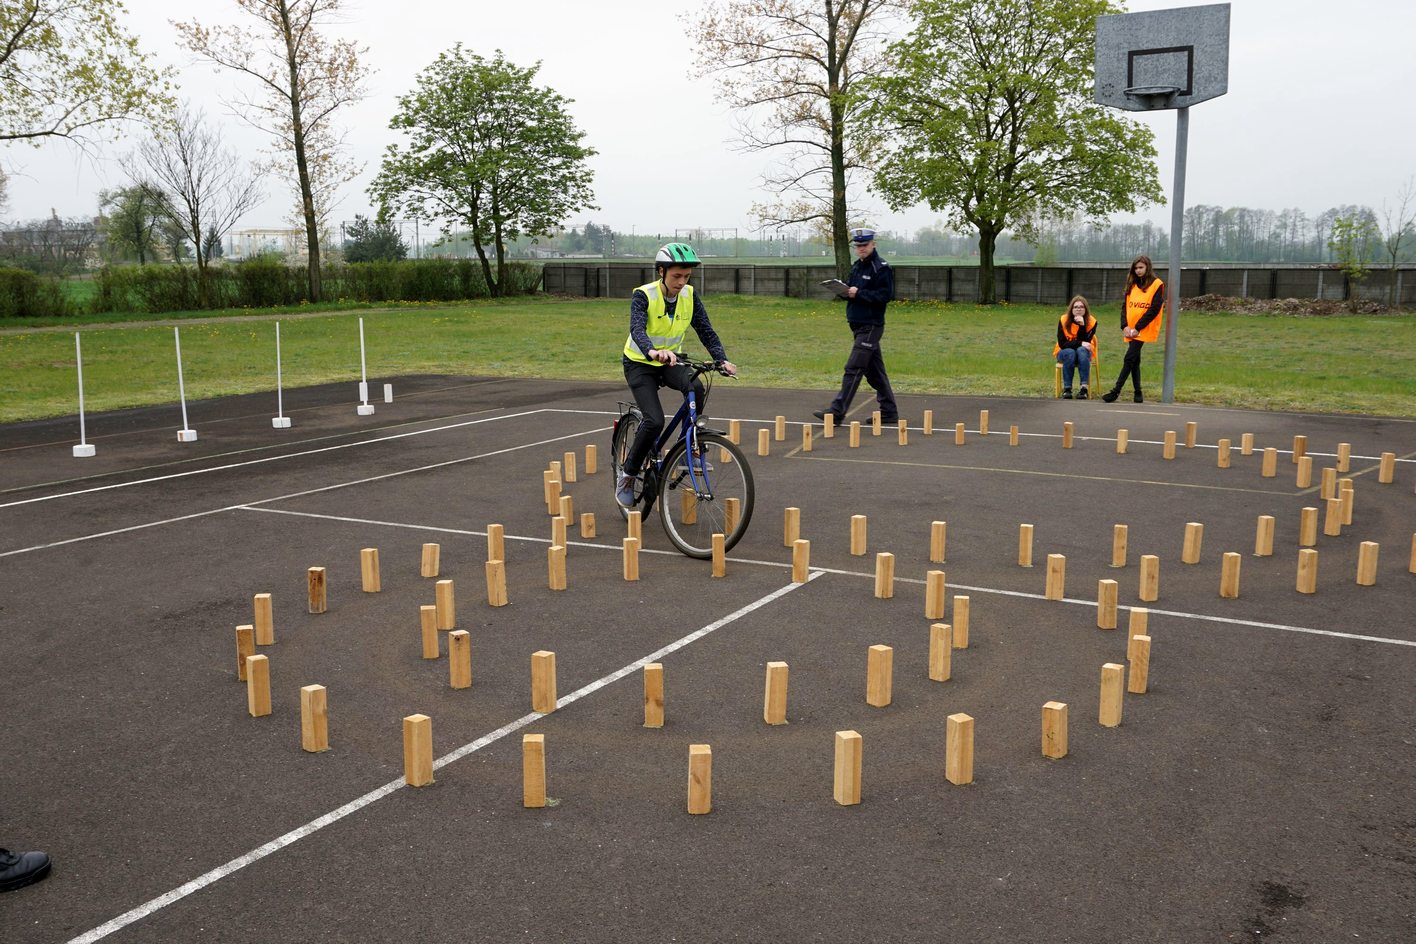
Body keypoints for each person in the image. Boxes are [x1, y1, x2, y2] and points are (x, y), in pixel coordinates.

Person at [617, 243, 737, 507]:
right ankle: (627, 474)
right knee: (654, 420)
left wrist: (722, 359)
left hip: (670, 361)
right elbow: (637, 329)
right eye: (676, 276)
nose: (682, 282)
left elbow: (706, 330)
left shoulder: (689, 296)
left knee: (697, 386)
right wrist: (651, 350)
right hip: (640, 363)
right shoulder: (643, 295)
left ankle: (686, 449)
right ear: (661, 271)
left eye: (686, 276)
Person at [813, 228, 898, 424]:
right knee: (874, 372)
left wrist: (857, 293)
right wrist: (843, 291)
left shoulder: (881, 267)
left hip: (871, 326)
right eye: (858, 246)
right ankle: (889, 411)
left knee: (854, 368)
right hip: (857, 325)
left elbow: (885, 296)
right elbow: (851, 292)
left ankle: (837, 411)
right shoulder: (857, 266)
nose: (861, 249)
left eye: (864, 245)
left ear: (873, 244)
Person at [1100, 254, 1165, 403]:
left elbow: (1154, 309)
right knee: (1134, 360)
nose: (1138, 270)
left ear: (1148, 267)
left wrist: (1138, 327)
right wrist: (1124, 326)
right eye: (1136, 268)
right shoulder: (1132, 284)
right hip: (1130, 329)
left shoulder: (1157, 284)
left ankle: (1115, 392)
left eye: (1141, 267)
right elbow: (1125, 306)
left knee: (1129, 358)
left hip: (1143, 328)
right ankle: (1138, 393)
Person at [1054, 295, 1097, 399]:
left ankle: (1084, 389)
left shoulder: (1092, 322)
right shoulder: (1063, 319)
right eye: (1075, 307)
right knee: (1070, 352)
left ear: (1085, 309)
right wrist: (1080, 343)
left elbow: (1085, 343)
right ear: (1071, 309)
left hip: (1083, 354)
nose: (1078, 309)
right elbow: (1062, 344)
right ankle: (1067, 389)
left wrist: (1082, 325)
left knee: (1081, 350)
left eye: (1081, 307)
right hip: (1064, 352)